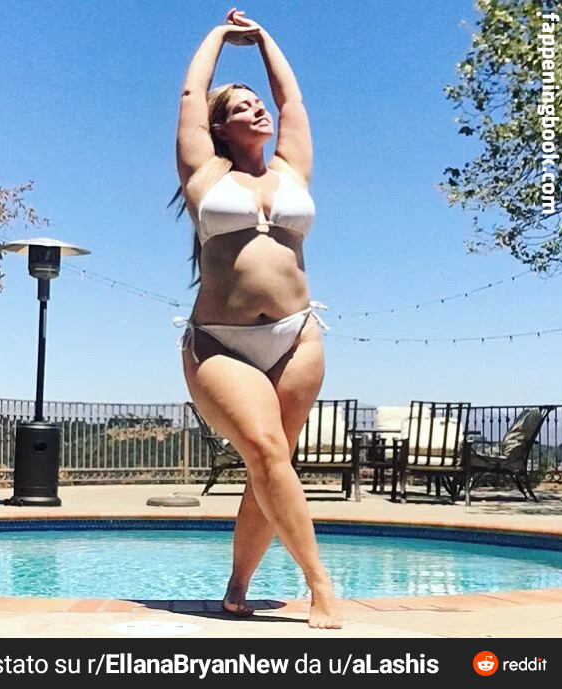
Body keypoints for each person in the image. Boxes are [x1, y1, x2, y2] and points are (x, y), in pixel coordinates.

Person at [169, 8, 342, 629]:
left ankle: (238, 586)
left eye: (256, 102)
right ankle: (320, 584)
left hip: (297, 336)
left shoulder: (291, 169)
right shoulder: (204, 173)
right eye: (242, 106)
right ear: (221, 127)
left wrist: (265, 39)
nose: (258, 109)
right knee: (267, 449)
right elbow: (191, 98)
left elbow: (292, 100)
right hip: (220, 342)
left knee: (273, 464)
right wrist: (219, 36)